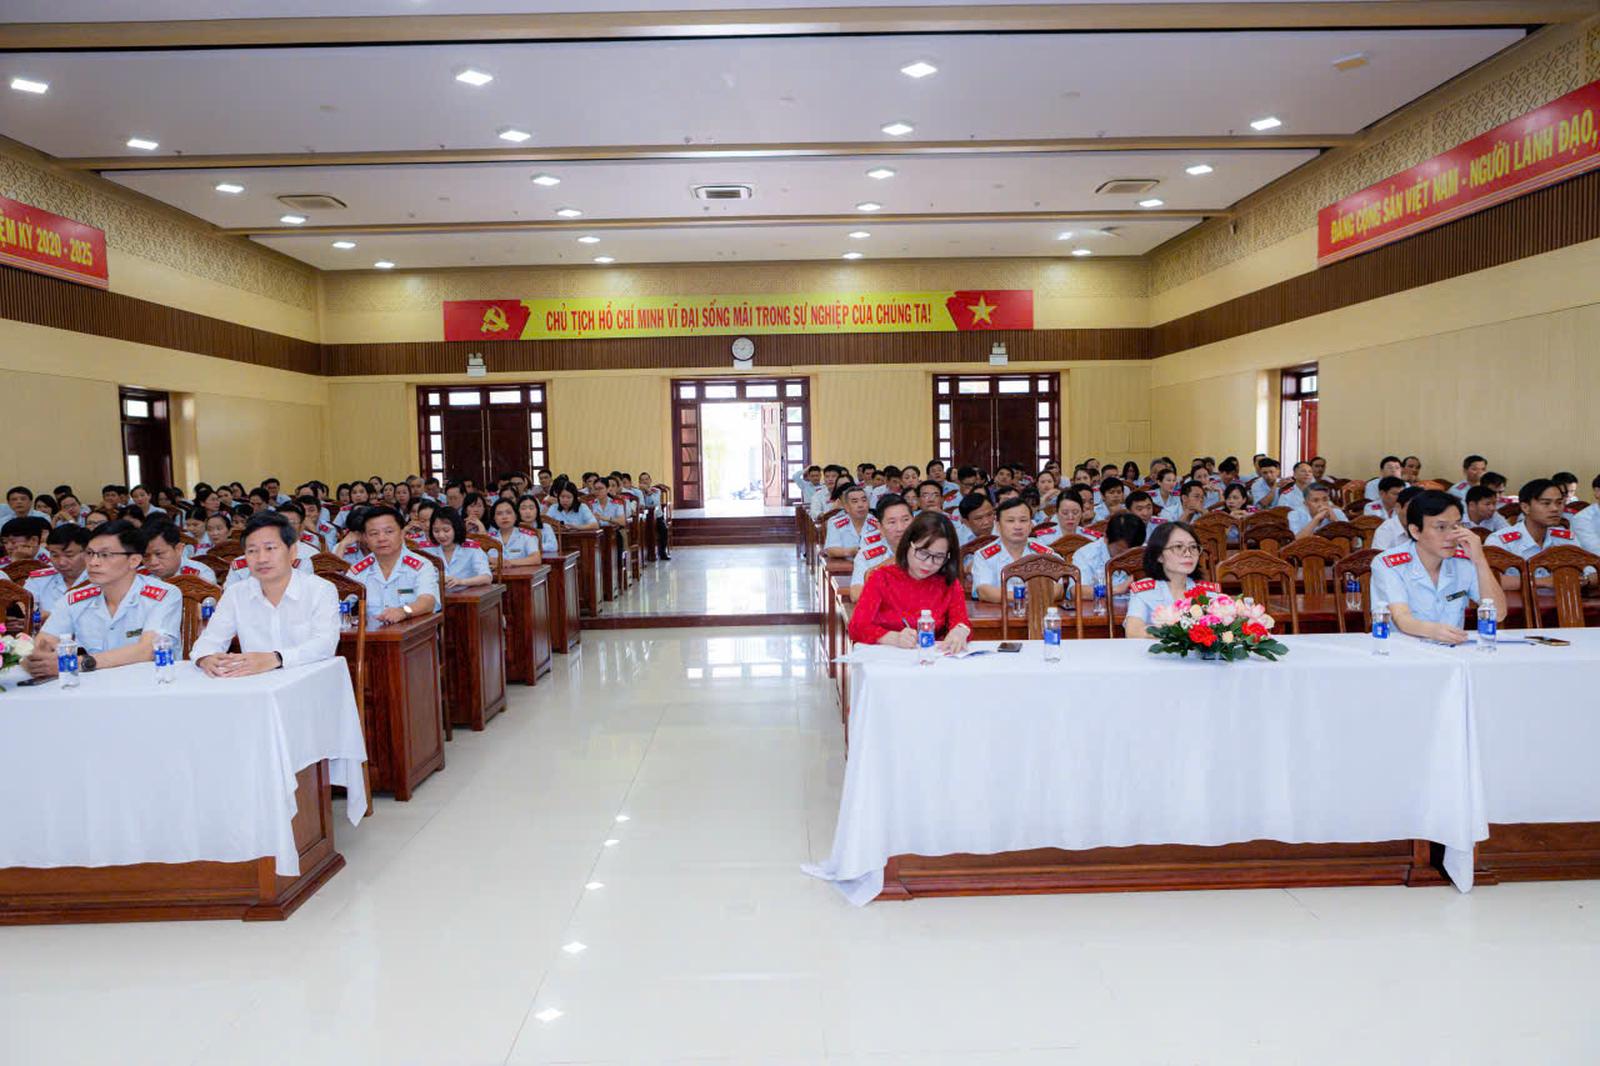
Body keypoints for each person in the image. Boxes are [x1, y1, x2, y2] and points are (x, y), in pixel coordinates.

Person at [23, 520, 182, 679]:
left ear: (134, 560)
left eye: (105, 555)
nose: (93, 563)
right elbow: (44, 643)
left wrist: (79, 663)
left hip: (150, 682)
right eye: (90, 553)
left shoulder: (164, 595)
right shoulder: (74, 598)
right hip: (91, 685)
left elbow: (147, 650)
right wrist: (34, 659)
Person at [190, 513, 340, 676]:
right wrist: (205, 658)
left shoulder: (320, 590)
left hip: (308, 681)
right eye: (252, 551)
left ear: (292, 552)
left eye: (270, 548)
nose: (261, 559)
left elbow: (326, 643)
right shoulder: (236, 593)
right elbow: (210, 639)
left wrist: (277, 658)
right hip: (256, 684)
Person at [1371, 490, 1504, 644]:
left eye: (1456, 526)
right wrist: (1433, 631)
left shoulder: (1464, 561)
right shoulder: (1388, 563)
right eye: (1441, 527)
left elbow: (1499, 613)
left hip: (1453, 650)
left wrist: (1480, 560)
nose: (1451, 536)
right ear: (1415, 531)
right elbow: (1402, 618)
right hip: (1403, 650)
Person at [847, 510, 970, 654]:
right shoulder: (881, 578)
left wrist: (960, 631)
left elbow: (961, 621)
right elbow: (857, 627)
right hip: (887, 658)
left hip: (932, 658)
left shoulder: (949, 583)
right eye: (922, 553)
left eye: (938, 557)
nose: (928, 563)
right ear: (908, 544)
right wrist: (893, 637)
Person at [346, 506, 440, 625]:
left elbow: (427, 602)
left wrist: (404, 611)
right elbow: (341, 603)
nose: (381, 538)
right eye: (374, 533)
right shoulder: (358, 570)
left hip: (413, 633)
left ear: (401, 533)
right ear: (365, 538)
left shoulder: (421, 566)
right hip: (373, 634)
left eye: (389, 532)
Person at [1124, 521, 1217, 638]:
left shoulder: (1207, 592)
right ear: (1159, 556)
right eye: (1178, 547)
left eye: (1193, 547)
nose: (1188, 554)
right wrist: (1182, 633)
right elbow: (1133, 632)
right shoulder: (1144, 591)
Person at [1487, 478, 1580, 590]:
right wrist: (1542, 582)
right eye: (1546, 503)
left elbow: (1591, 572)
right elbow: (1489, 580)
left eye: (1559, 503)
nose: (1555, 509)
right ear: (1525, 507)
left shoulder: (1566, 539)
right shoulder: (1500, 541)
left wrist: (1585, 580)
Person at [968, 496, 1064, 605]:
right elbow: (984, 592)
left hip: (1037, 610)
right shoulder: (984, 555)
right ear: (998, 526)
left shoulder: (1045, 554)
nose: (1017, 526)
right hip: (999, 612)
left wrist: (1032, 597)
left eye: (1023, 520)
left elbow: (1059, 589)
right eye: (1010, 521)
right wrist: (1024, 596)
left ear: (1031, 525)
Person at [849, 496, 914, 600]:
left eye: (906, 520)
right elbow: (856, 594)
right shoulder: (867, 555)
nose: (900, 528)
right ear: (880, 527)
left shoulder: (928, 549)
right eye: (892, 522)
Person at [23, 525, 92, 621]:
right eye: (55, 555)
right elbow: (25, 608)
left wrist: (52, 618)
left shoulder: (103, 581)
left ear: (88, 552)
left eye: (69, 555)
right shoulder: (39, 579)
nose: (61, 562)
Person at [1072, 511, 1146, 598]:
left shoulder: (1145, 553)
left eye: (1132, 552)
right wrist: (1116, 590)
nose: (1127, 556)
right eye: (1121, 551)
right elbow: (1076, 591)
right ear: (1106, 538)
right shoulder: (1086, 555)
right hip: (1101, 605)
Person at [425, 506, 494, 590]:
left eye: (446, 530)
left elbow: (486, 577)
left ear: (456, 528)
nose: (441, 535)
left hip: (467, 595)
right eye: (436, 531)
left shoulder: (471, 548)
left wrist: (461, 581)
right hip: (436, 596)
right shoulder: (427, 550)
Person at [141, 524, 217, 585]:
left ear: (179, 549)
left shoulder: (201, 575)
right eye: (145, 556)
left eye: (159, 554)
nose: (153, 562)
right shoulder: (139, 575)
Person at [822, 484, 877, 558]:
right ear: (846, 507)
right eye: (855, 501)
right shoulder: (835, 522)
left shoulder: (876, 522)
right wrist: (853, 551)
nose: (860, 505)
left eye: (864, 500)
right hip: (845, 563)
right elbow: (831, 550)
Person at [489, 498, 543, 566]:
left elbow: (536, 559)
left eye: (508, 512)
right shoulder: (488, 539)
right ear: (494, 518)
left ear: (516, 516)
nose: (504, 517)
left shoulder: (527, 536)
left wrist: (507, 563)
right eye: (499, 514)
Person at [1373, 485, 1425, 552]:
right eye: (1412, 509)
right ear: (1398, 508)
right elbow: (1379, 557)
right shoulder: (1386, 530)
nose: (1417, 513)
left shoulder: (1428, 527)